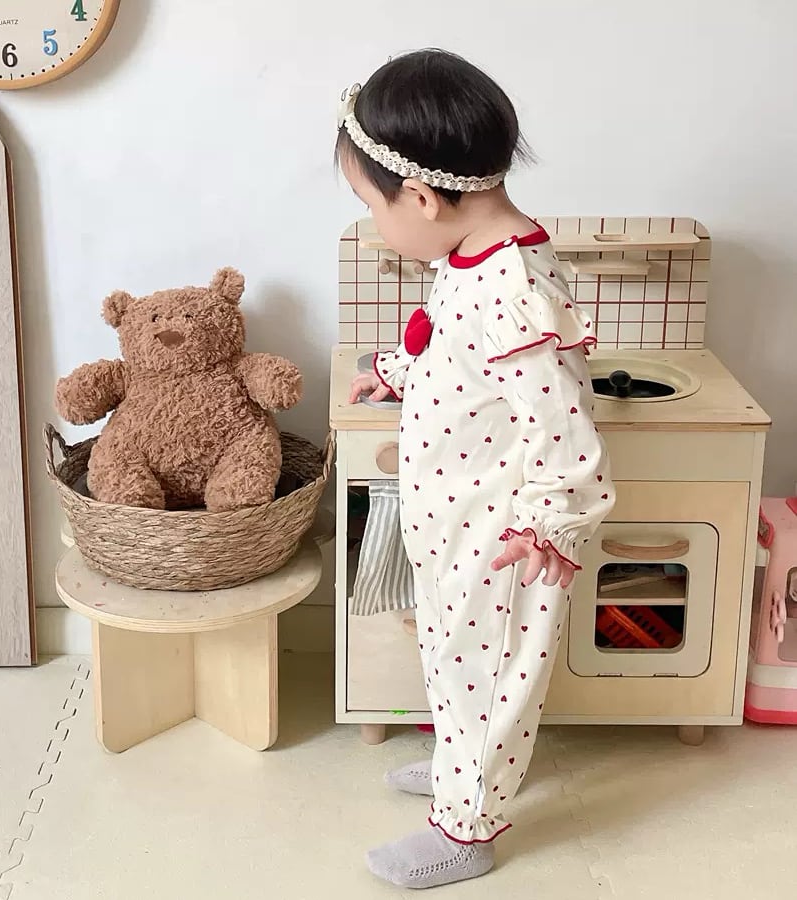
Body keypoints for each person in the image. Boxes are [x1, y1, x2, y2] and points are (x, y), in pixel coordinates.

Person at [337, 49, 616, 890]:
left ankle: (467, 828)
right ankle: (459, 770)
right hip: (453, 517)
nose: (374, 225)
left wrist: (552, 521)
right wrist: (397, 370)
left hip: (505, 536)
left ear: (421, 198)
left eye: (370, 207)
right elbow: (453, 345)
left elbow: (561, 419)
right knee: (452, 660)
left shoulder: (514, 284)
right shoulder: (469, 259)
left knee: (488, 676)